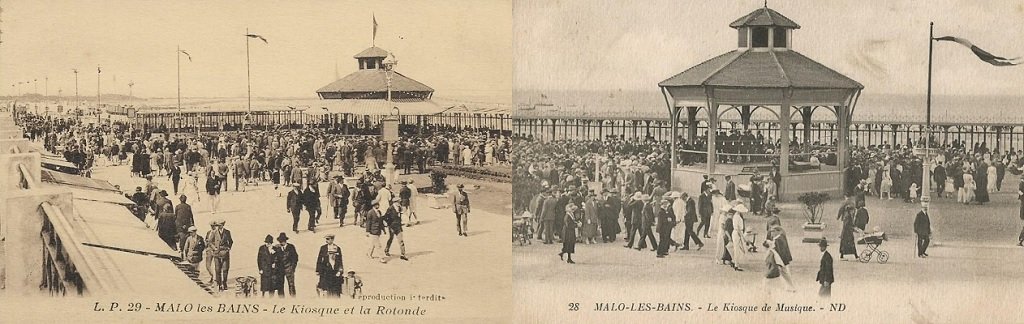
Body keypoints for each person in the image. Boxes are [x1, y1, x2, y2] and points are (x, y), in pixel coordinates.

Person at [206, 219, 233, 291]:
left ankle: (224, 283)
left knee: (225, 269)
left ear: (223, 225)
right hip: (217, 253)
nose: (218, 227)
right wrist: (214, 248)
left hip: (225, 252)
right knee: (217, 269)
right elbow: (209, 241)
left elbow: (230, 241)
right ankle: (219, 284)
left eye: (220, 225)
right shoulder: (214, 232)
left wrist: (228, 248)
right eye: (217, 225)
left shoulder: (227, 232)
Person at [275, 232, 298, 297]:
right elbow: (274, 258)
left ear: (285, 241)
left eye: (282, 241)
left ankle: (293, 299)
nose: (281, 243)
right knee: (280, 285)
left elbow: (295, 258)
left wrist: (293, 267)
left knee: (291, 285)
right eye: (280, 241)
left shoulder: (291, 247)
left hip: (289, 269)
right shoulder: (277, 248)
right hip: (280, 270)